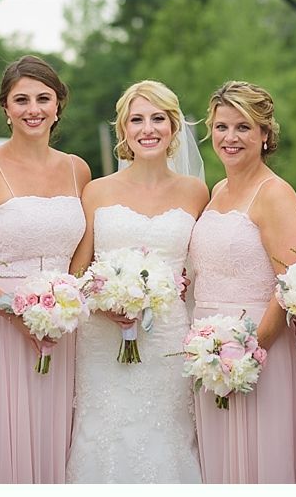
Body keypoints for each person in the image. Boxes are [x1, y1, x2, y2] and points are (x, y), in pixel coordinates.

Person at [0, 55, 90, 483]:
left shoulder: (77, 168)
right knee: (2, 435)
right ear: (5, 108)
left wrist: (68, 298)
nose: (34, 109)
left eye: (43, 98)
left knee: (55, 434)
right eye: (22, 99)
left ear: (58, 105)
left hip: (62, 325)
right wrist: (17, 312)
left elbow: (83, 248)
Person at [66, 80, 207, 484]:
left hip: (167, 338)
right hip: (101, 339)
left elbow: (202, 265)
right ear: (123, 130)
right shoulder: (96, 191)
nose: (148, 128)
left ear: (174, 127)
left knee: (167, 437)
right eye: (137, 119)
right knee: (103, 434)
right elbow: (78, 273)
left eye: (158, 118)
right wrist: (102, 301)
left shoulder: (197, 192)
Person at [188, 80, 296, 483]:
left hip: (257, 347)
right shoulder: (217, 190)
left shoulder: (275, 194)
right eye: (222, 127)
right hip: (208, 350)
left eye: (243, 127)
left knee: (259, 461)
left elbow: (291, 283)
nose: (230, 137)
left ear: (264, 133)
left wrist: (250, 351)